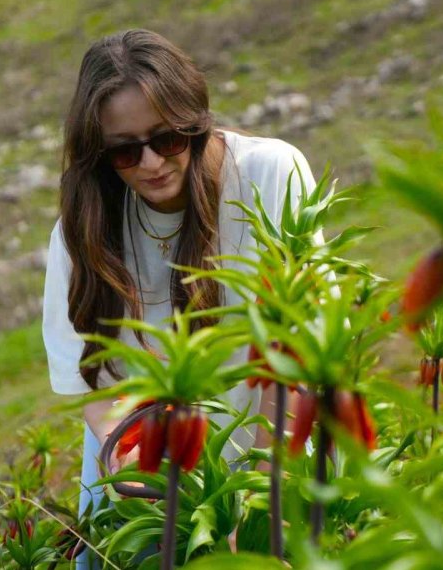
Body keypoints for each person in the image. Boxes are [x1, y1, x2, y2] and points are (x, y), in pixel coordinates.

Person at [41, 29, 316, 568]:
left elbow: (293, 345)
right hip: (144, 481)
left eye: (166, 139)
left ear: (194, 121)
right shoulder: (85, 224)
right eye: (124, 150)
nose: (149, 164)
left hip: (271, 450)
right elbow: (87, 374)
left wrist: (261, 498)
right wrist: (130, 461)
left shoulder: (268, 173)